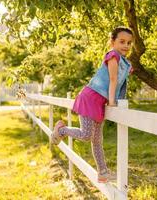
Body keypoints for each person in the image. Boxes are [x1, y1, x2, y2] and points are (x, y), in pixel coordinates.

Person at [51, 26, 133, 183]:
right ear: (112, 42)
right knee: (86, 135)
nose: (126, 46)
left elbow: (122, 83)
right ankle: (61, 130)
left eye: (129, 43)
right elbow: (113, 79)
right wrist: (112, 102)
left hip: (99, 102)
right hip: (91, 98)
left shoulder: (124, 62)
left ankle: (103, 172)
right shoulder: (113, 55)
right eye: (122, 41)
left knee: (97, 140)